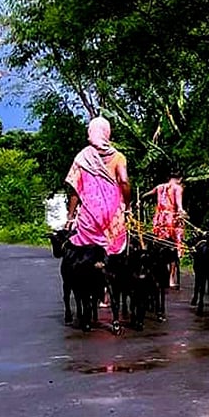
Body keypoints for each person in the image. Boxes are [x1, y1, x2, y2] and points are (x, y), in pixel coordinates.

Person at [64, 116, 131, 257]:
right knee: (115, 252)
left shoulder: (82, 158)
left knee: (83, 251)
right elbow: (124, 181)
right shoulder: (118, 157)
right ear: (107, 132)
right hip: (113, 214)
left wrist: (70, 217)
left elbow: (75, 191)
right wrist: (128, 207)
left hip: (90, 214)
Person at [142, 172, 186, 288]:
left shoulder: (159, 187)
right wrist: (181, 212)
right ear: (179, 179)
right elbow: (179, 204)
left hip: (159, 220)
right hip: (171, 220)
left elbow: (147, 195)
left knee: (159, 247)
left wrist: (141, 198)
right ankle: (170, 278)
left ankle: (160, 275)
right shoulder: (178, 188)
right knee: (173, 249)